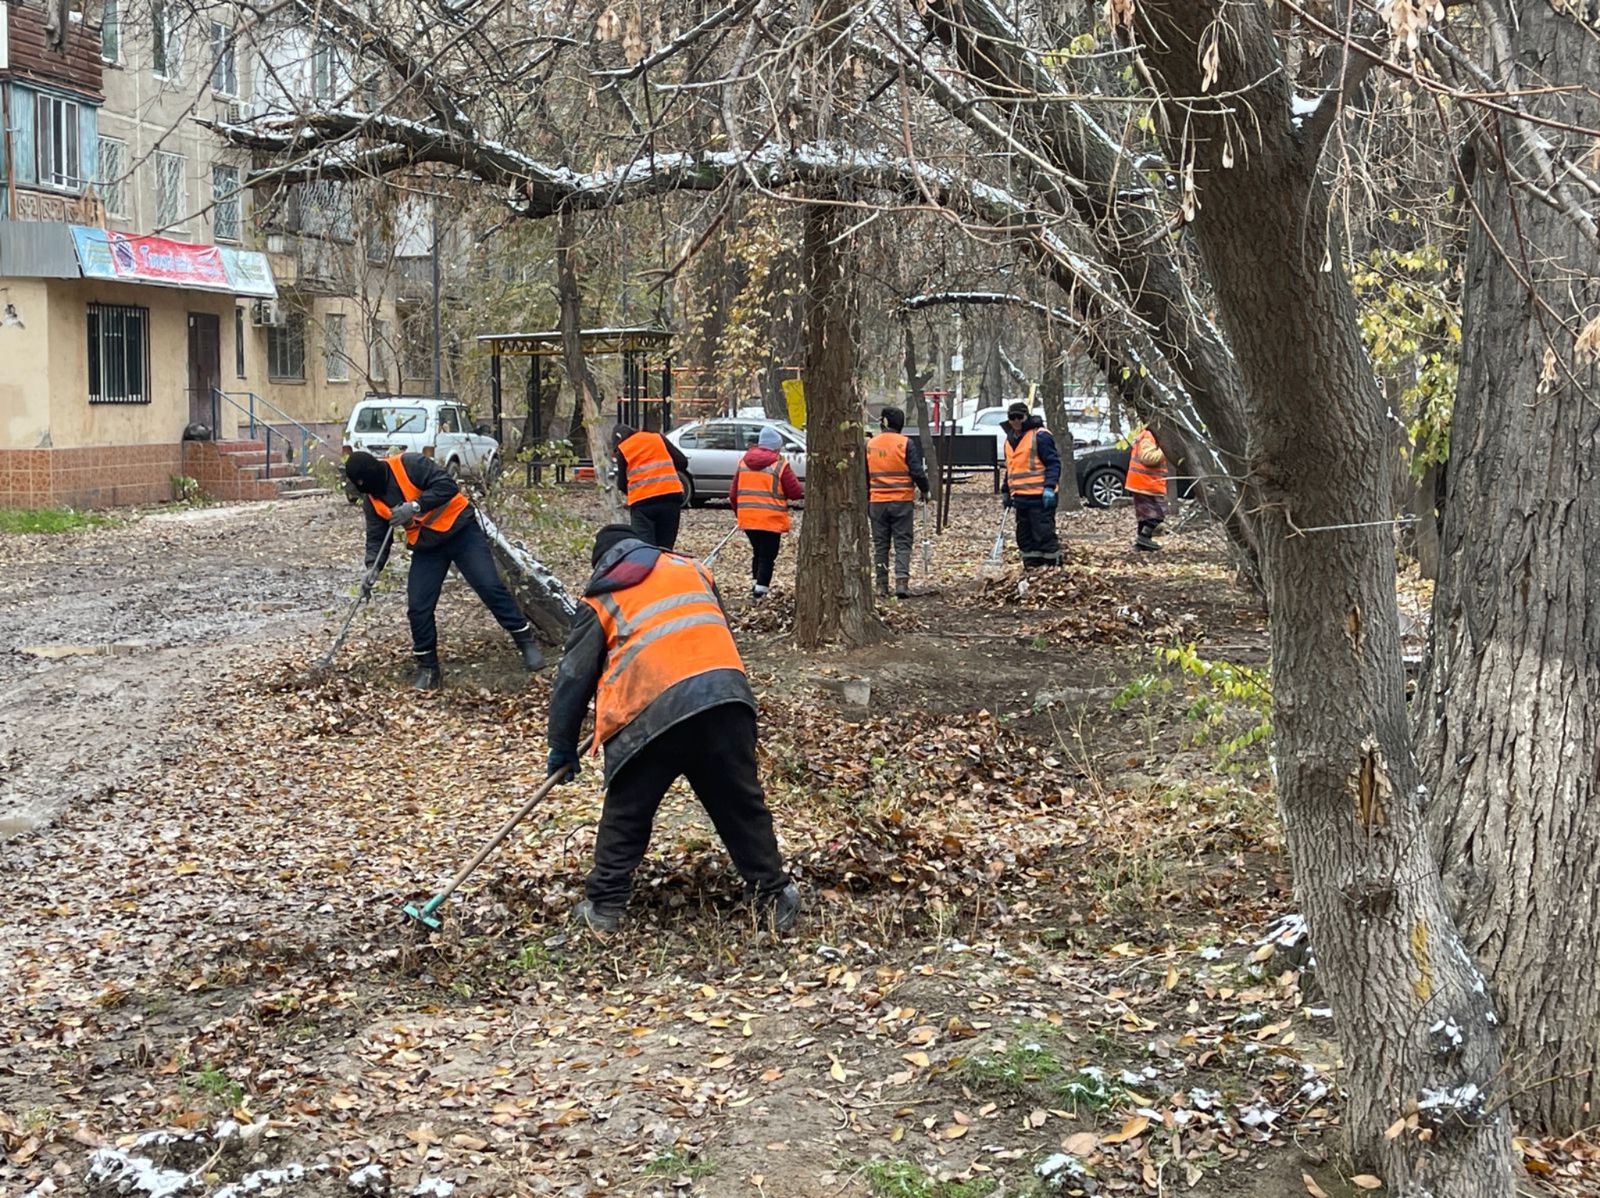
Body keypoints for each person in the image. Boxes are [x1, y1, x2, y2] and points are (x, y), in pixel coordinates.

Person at [545, 524, 800, 934]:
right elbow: (714, 631)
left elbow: (573, 678)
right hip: (724, 700)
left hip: (651, 717)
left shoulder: (601, 598)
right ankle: (774, 895)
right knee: (740, 805)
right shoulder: (695, 571)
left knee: (627, 813)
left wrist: (561, 745)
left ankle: (606, 908)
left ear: (604, 564)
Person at [343, 450, 542, 690]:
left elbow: (447, 485)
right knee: (418, 607)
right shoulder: (372, 500)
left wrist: (415, 506)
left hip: (461, 531)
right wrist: (371, 568)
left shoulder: (410, 464)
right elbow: (376, 537)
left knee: (490, 587)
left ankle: (526, 642)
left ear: (372, 474)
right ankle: (428, 668)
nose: (367, 492)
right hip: (428, 547)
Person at [729, 426, 804, 599]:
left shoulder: (743, 462)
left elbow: (733, 494)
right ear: (776, 447)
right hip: (771, 519)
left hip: (748, 519)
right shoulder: (780, 464)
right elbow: (795, 492)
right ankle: (760, 593)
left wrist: (739, 514)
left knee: (758, 552)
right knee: (767, 556)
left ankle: (756, 585)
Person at [865, 406, 931, 598]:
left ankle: (881, 585)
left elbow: (864, 475)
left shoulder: (870, 445)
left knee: (880, 544)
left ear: (882, 422)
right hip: (901, 501)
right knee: (902, 542)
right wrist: (925, 490)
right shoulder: (905, 444)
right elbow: (917, 471)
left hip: (877, 502)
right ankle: (901, 582)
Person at [1000, 401, 1062, 568]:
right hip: (1020, 498)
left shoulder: (1040, 436)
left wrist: (1049, 487)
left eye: (1019, 417)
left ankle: (1052, 568)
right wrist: (1006, 490)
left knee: (1044, 534)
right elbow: (1012, 467)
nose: (1016, 421)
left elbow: (1053, 464)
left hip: (1040, 496)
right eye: (1012, 418)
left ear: (1026, 416)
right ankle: (1031, 568)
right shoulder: (1010, 439)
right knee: (1024, 536)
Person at [612, 424, 689, 550]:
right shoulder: (657, 438)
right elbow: (682, 462)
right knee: (666, 550)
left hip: (643, 504)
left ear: (618, 440)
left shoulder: (624, 449)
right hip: (671, 498)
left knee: (646, 550)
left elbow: (621, 484)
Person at [1125, 425, 1170, 552]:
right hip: (1145, 483)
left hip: (1145, 483)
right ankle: (1144, 538)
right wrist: (1164, 451)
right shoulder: (1148, 436)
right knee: (1157, 514)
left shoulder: (1147, 435)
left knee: (1145, 516)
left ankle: (1142, 543)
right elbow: (1147, 458)